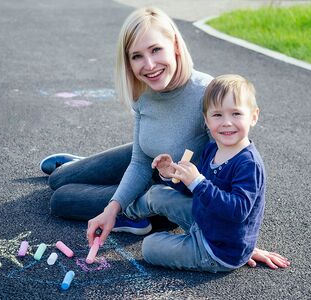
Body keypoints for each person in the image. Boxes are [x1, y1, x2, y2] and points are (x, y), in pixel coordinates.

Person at [41, 7, 289, 269]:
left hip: (173, 191)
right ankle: (88, 169)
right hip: (151, 159)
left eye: (156, 50)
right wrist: (113, 207)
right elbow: (139, 160)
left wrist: (239, 243)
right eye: (137, 56)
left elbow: (235, 164)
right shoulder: (142, 93)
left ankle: (138, 216)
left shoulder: (206, 94)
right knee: (59, 178)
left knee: (62, 199)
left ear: (175, 46)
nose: (149, 65)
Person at [115, 74, 271, 272]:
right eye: (217, 115)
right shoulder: (212, 149)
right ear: (206, 120)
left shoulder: (248, 164)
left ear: (253, 116)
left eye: (236, 114)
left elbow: (238, 211)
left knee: (150, 246)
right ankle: (127, 215)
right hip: (205, 221)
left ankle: (186, 243)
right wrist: (171, 175)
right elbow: (195, 191)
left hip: (216, 249)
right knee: (157, 192)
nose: (227, 122)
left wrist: (198, 181)